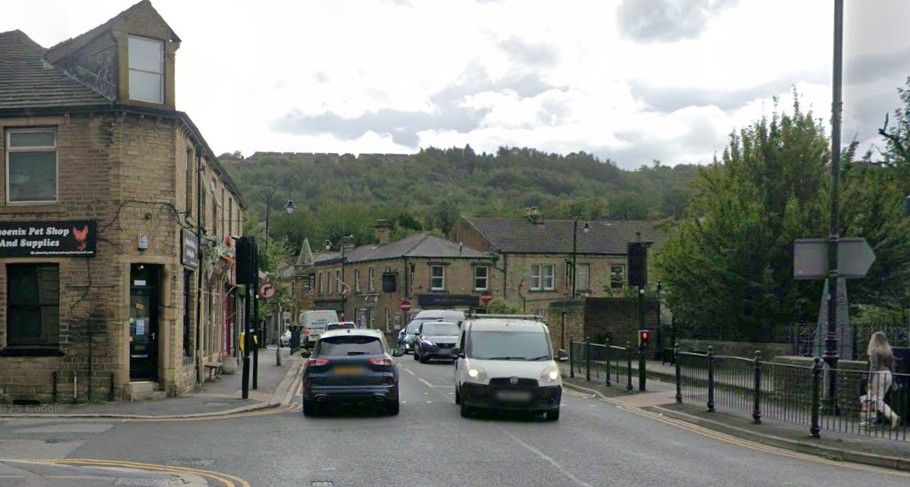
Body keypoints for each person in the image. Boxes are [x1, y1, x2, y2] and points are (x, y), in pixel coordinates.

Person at [860, 331, 900, 429]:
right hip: (888, 375)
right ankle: (868, 420)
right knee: (871, 399)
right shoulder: (888, 351)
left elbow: (873, 367)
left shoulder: (874, 350)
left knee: (874, 399)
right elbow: (893, 366)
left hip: (879, 376)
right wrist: (894, 381)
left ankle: (892, 416)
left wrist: (869, 381)